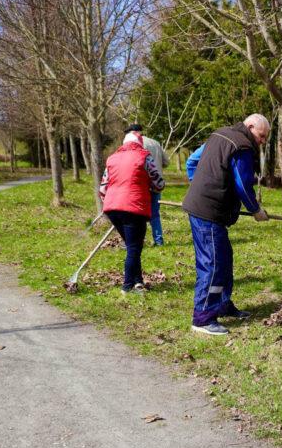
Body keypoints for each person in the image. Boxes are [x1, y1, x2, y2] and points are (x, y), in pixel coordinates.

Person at [181, 114, 270, 336]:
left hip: (206, 208)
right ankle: (202, 318)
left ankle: (221, 304)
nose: (262, 141)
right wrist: (256, 210)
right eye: (261, 136)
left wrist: (200, 186)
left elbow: (193, 161)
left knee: (224, 259)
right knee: (212, 264)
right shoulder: (241, 146)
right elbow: (242, 184)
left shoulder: (219, 134)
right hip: (208, 213)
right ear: (250, 127)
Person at [99, 132, 165, 294]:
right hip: (134, 206)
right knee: (134, 247)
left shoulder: (112, 158)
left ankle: (138, 281)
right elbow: (159, 183)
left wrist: (110, 201)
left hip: (112, 208)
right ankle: (127, 286)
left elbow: (103, 188)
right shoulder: (144, 157)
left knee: (132, 245)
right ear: (139, 143)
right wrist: (152, 187)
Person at [124, 124, 169, 246]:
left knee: (137, 214)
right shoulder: (155, 143)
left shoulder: (133, 145)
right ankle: (159, 241)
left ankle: (137, 240)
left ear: (133, 133)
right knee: (155, 214)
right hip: (156, 184)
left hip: (140, 185)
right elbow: (166, 162)